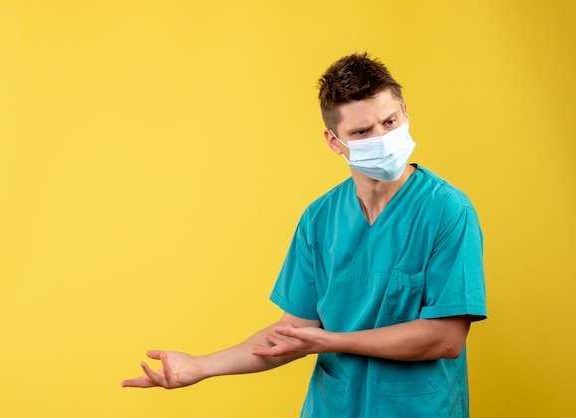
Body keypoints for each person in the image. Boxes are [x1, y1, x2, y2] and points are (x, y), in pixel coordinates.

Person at [121, 52, 487, 418]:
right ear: (334, 141)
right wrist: (202, 366)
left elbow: (446, 338)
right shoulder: (320, 219)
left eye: (390, 122)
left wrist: (332, 341)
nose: (382, 138)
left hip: (417, 408)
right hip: (334, 407)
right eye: (361, 132)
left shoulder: (446, 210)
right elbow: (294, 331)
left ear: (405, 113)